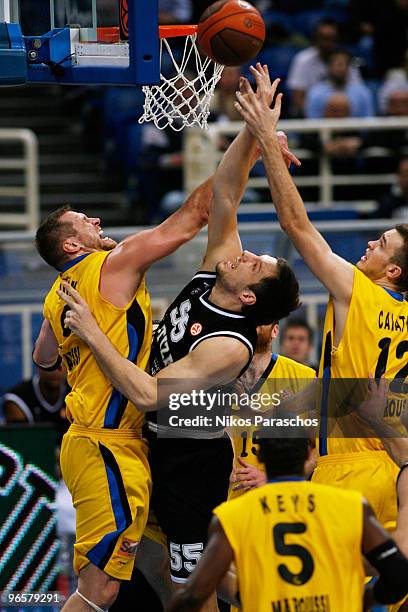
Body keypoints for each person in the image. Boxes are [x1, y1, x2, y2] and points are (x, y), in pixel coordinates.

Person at [57, 69, 301, 611]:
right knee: (155, 580)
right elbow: (226, 193)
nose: (247, 254)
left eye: (257, 264)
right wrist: (254, 130)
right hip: (150, 445)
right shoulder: (219, 270)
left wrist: (94, 333)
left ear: (251, 299)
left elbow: (148, 394)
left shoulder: (229, 346)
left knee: (196, 591)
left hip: (191, 462)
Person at [234, 65, 408, 536]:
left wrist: (267, 139)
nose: (370, 244)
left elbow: (296, 224)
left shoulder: (359, 289)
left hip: (351, 470)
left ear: (393, 272)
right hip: (400, 470)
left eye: (382, 244)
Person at [32, 178, 212, 612]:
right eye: (83, 223)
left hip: (102, 442)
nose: (96, 220)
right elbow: (190, 220)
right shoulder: (111, 264)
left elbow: (43, 358)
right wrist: (251, 147)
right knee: (101, 590)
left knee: (145, 578)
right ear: (73, 246)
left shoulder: (61, 290)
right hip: (106, 443)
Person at [166, 436, 408, 612]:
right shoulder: (352, 505)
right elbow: (398, 575)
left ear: (260, 455)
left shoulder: (232, 515)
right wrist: (364, 600)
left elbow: (192, 595)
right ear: (309, 451)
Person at [227, 321, 316, 499]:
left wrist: (274, 479)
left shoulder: (306, 377)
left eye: (263, 316)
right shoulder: (217, 376)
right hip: (230, 501)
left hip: (284, 499)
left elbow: (320, 450)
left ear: (275, 330)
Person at [286, 19, 361, 117]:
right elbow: (298, 98)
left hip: (346, 115)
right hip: (311, 117)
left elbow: (358, 94)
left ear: (337, 39)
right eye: (323, 38)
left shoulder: (347, 59)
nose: (326, 43)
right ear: (315, 39)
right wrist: (318, 117)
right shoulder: (302, 60)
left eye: (330, 38)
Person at [305, 49, 374, 119]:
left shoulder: (362, 92)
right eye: (337, 64)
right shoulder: (316, 93)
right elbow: (312, 122)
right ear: (329, 67)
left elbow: (368, 122)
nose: (340, 69)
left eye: (344, 64)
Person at [3, 365, 68, 425]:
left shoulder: (75, 392)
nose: (55, 370)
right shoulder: (17, 399)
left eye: (62, 362)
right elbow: (19, 436)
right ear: (38, 364)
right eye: (50, 363)